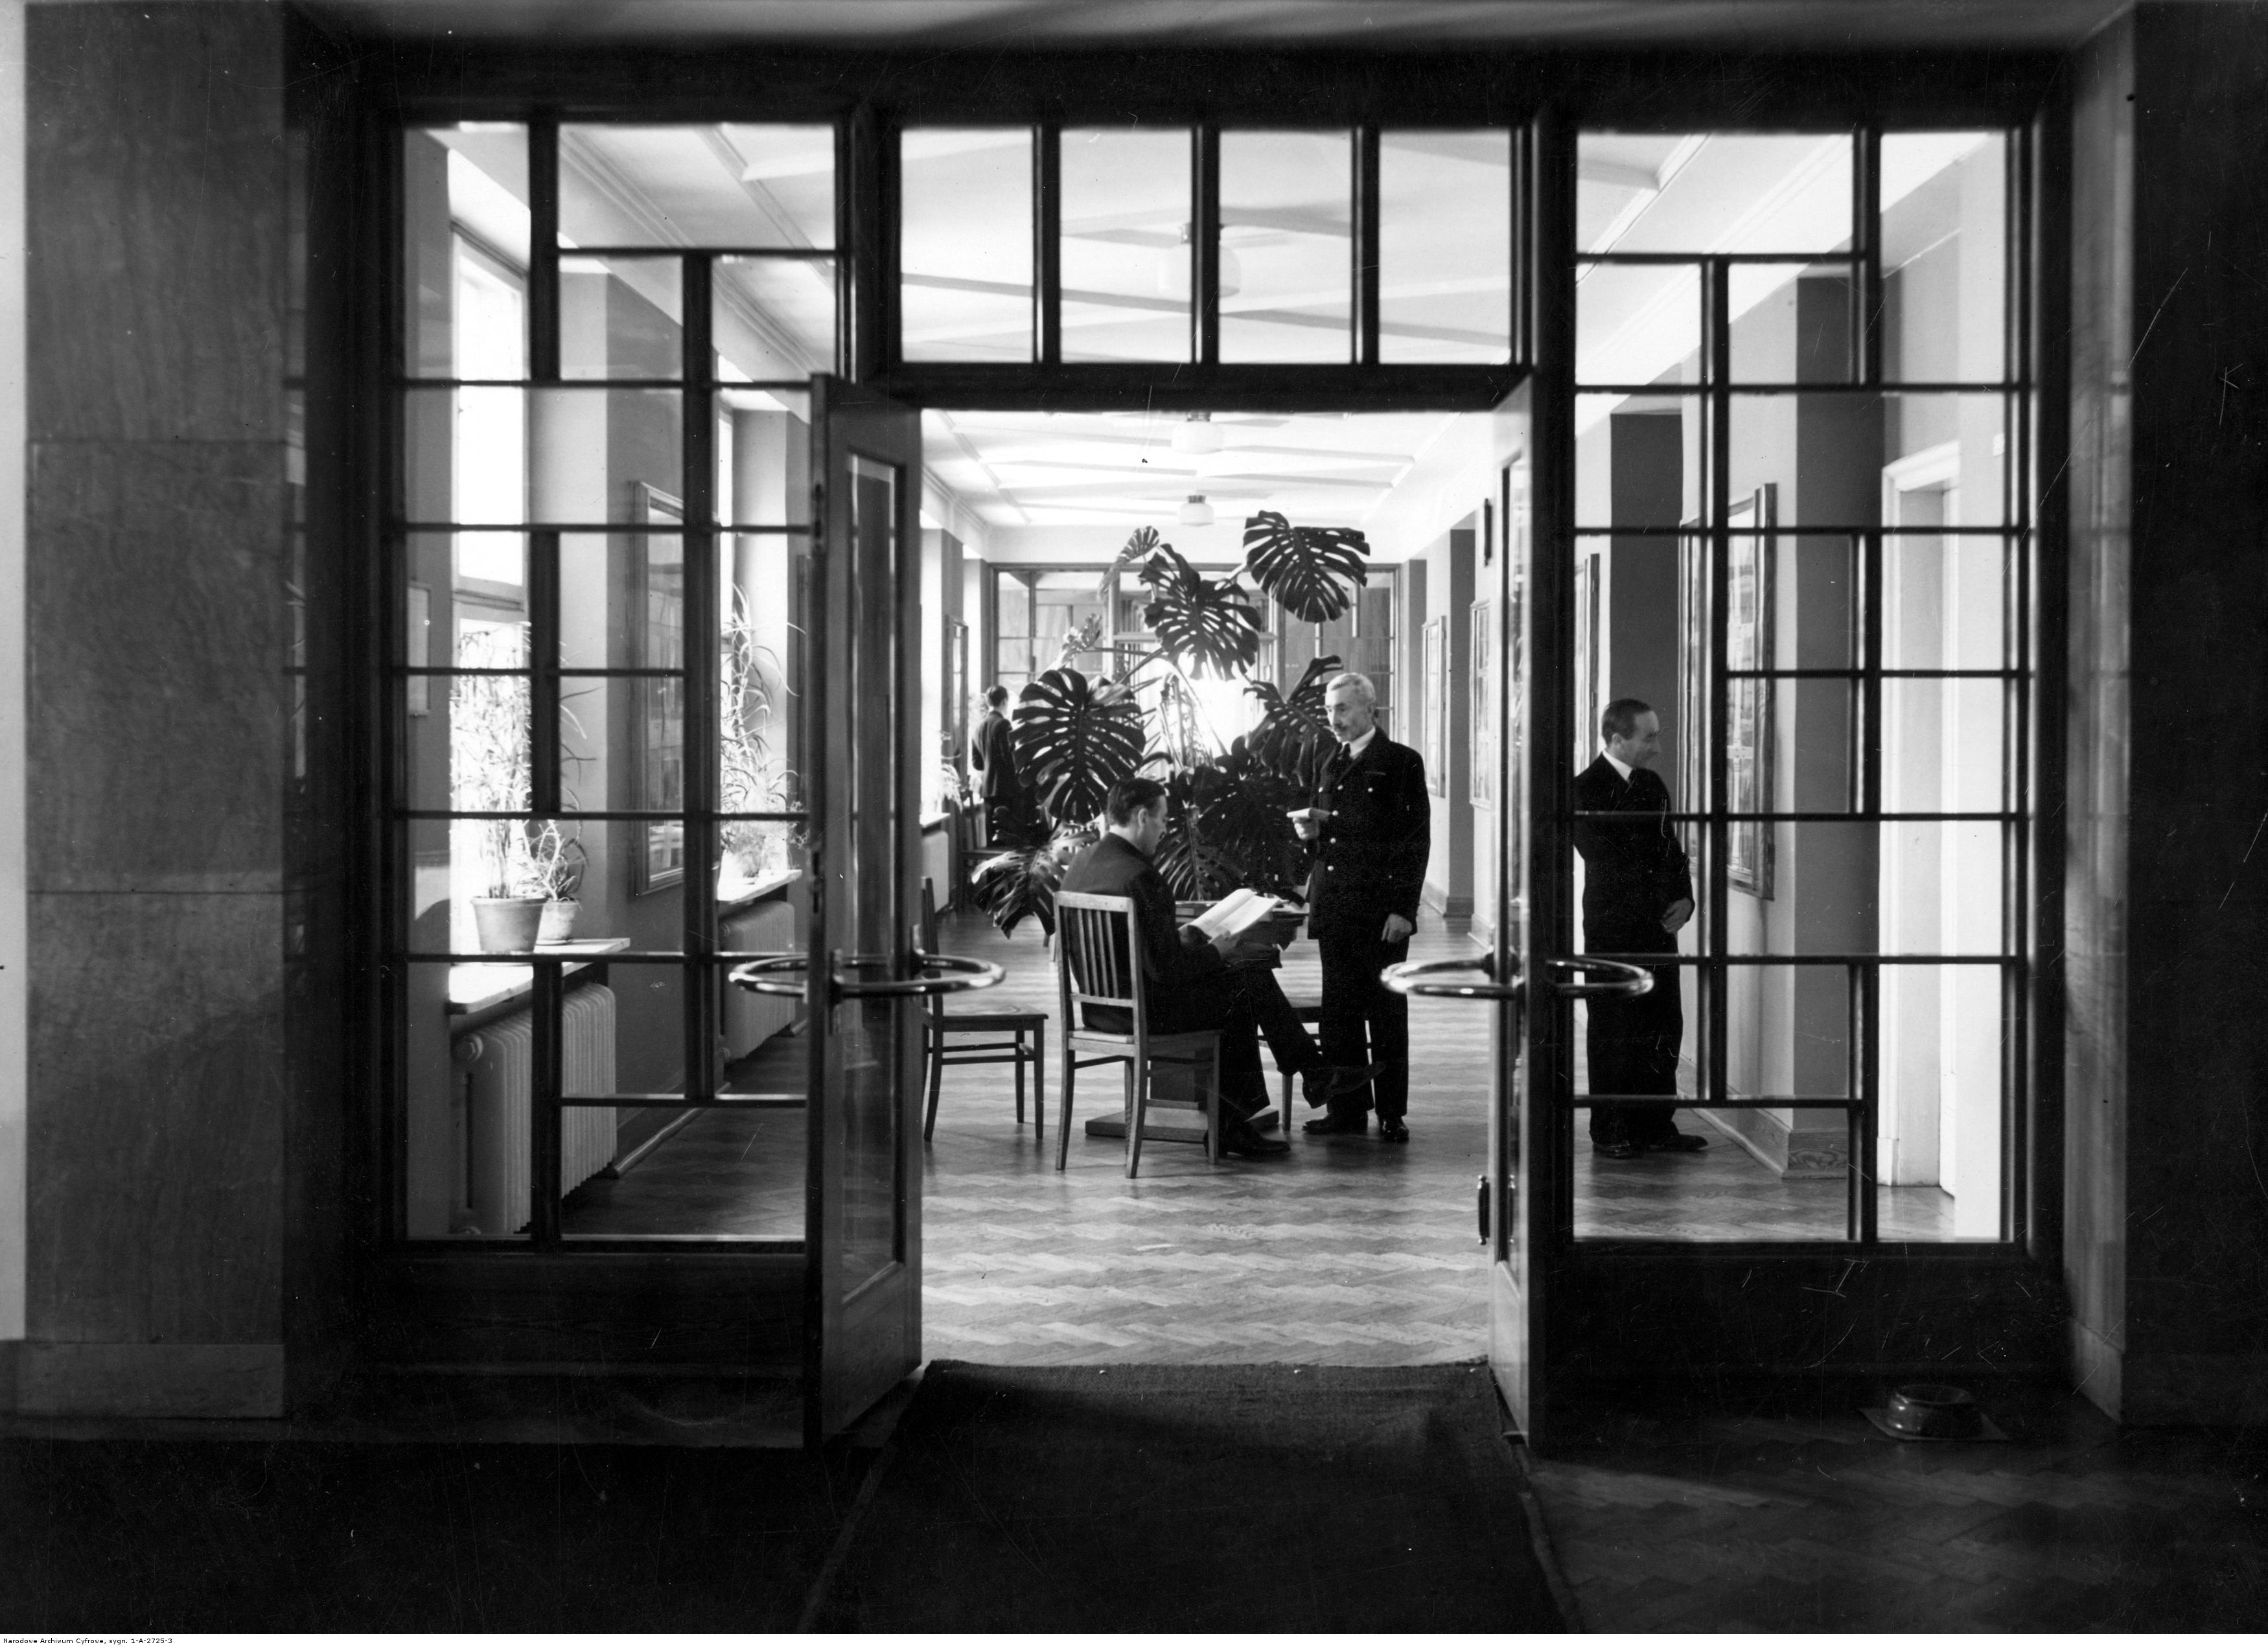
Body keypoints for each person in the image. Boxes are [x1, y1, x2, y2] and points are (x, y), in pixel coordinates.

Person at [1059, 776, 1381, 1160]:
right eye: (1162, 819)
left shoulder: (1082, 864)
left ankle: (1306, 1079)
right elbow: (1167, 971)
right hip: (1146, 1013)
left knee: (1242, 978)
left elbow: (1135, 949)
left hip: (1102, 1011)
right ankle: (1251, 1113)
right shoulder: (1140, 876)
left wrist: (1185, 937)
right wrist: (1215, 951)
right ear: (1142, 817)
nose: (1163, 830)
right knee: (1242, 983)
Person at [1290, 671, 1431, 1144]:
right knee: (1340, 1013)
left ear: (1371, 709)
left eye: (1343, 709)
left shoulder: (1401, 762)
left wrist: (1404, 910)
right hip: (1334, 903)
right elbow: (1331, 837)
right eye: (1330, 710)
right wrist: (1310, 835)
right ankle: (1346, 1110)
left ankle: (1391, 1112)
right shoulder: (1330, 760)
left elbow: (1415, 841)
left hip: (1379, 908)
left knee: (1386, 1012)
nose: (1334, 719)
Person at [1572, 698, 1704, 1158]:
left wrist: (1685, 897)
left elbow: (1671, 847)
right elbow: (1608, 861)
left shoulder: (1652, 785)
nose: (1657, 747)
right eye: (1649, 738)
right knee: (1614, 1028)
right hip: (1613, 928)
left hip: (1659, 928)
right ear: (1616, 740)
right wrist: (1658, 895)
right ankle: (1610, 1129)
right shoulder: (1583, 790)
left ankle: (1656, 1125)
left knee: (1663, 1024)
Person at [971, 684, 1026, 843]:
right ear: (1004, 702)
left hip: (988, 790)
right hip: (1007, 790)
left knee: (994, 839)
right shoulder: (1003, 724)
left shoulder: (978, 728)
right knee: (1011, 839)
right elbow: (1009, 758)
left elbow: (977, 764)